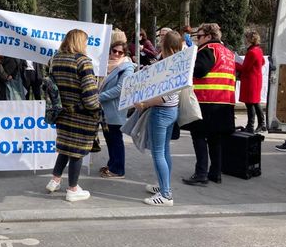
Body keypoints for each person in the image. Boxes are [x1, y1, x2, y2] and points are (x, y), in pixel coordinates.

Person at [45, 29, 101, 202]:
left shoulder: (54, 59)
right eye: (85, 42)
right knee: (77, 151)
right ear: (79, 42)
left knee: (65, 147)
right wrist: (96, 108)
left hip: (61, 112)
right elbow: (90, 94)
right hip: (80, 113)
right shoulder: (83, 62)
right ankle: (73, 189)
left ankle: (55, 180)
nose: (86, 45)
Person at [182, 23, 236, 186]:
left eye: (199, 36)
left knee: (198, 136)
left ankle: (201, 174)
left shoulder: (208, 50)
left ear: (209, 36)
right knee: (215, 138)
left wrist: (188, 64)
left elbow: (200, 70)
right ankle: (215, 173)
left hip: (206, 101)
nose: (197, 40)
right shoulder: (228, 53)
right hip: (224, 102)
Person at [135, 31, 182, 206]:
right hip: (171, 111)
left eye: (161, 41)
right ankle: (164, 186)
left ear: (166, 45)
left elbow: (164, 97)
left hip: (161, 112)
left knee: (158, 153)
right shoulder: (178, 62)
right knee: (164, 151)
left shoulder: (170, 64)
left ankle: (166, 194)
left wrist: (144, 104)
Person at [98, 31, 135, 179]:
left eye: (121, 52)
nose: (117, 54)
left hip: (115, 108)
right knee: (109, 138)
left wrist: (98, 97)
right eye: (115, 51)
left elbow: (120, 89)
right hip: (103, 109)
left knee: (115, 138)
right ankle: (112, 164)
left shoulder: (127, 67)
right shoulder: (103, 64)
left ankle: (118, 169)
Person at [236, 30, 266, 133]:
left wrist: (234, 62)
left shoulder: (251, 52)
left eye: (246, 38)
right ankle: (262, 123)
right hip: (256, 79)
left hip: (250, 80)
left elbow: (244, 68)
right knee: (255, 102)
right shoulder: (258, 50)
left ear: (250, 40)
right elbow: (262, 62)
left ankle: (250, 126)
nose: (245, 41)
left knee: (250, 104)